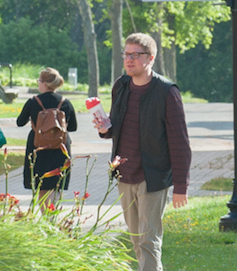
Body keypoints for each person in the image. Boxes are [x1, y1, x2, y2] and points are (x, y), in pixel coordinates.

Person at [94, 32, 193, 271]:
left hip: (153, 176)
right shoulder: (121, 85)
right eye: (126, 55)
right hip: (124, 174)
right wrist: (104, 128)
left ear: (150, 58)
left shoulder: (167, 92)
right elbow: (116, 126)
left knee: (149, 240)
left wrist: (181, 186)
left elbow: (180, 142)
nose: (129, 60)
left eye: (135, 55)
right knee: (136, 240)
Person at [17, 68, 79, 205]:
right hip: (60, 147)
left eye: (39, 81)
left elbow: (19, 122)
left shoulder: (33, 101)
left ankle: (45, 219)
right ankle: (53, 217)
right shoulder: (65, 102)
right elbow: (73, 127)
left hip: (38, 146)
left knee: (42, 186)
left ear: (44, 83)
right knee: (56, 184)